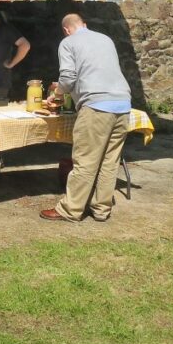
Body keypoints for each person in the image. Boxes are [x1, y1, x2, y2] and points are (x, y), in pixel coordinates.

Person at [40, 12, 131, 223]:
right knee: (109, 161)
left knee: (85, 161)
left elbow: (68, 77)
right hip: (123, 104)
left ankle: (70, 209)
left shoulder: (68, 42)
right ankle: (101, 209)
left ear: (66, 30)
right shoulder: (105, 39)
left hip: (96, 105)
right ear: (85, 25)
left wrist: (57, 95)